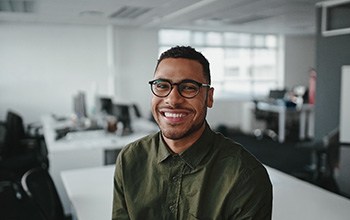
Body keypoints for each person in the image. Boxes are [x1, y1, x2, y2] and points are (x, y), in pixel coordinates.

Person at [112, 46, 272, 219]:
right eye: (162, 85)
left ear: (209, 97)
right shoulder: (130, 159)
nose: (172, 100)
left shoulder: (245, 176)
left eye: (188, 87)